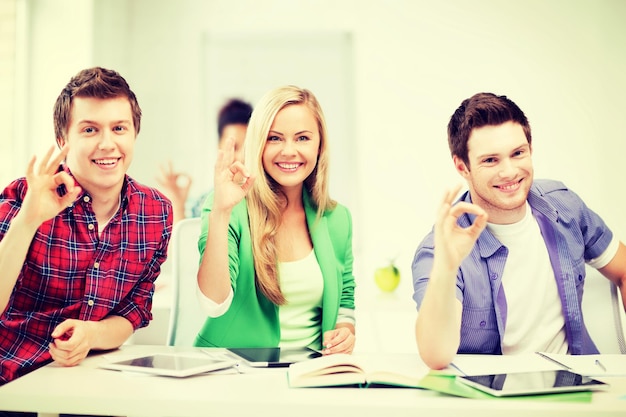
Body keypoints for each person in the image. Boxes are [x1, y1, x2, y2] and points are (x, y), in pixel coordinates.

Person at [411, 92, 626, 370]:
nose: (510, 172)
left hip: (578, 389)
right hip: (495, 402)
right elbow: (436, 355)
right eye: (491, 160)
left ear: (530, 149)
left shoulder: (564, 205)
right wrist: (447, 267)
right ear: (462, 166)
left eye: (517, 153)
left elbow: (622, 268)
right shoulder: (437, 252)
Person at [0, 67, 173, 388]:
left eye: (119, 128)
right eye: (90, 130)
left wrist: (92, 334)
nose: (107, 144)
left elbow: (132, 311)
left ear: (134, 133)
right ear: (63, 140)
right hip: (12, 378)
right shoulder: (26, 195)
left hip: (91, 381)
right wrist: (27, 221)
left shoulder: (155, 211)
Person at [194, 85, 356, 354]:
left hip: (311, 373)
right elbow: (213, 303)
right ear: (258, 144)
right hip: (232, 370)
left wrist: (346, 332)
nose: (289, 151)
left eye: (303, 138)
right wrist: (221, 213)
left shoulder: (337, 218)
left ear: (320, 145)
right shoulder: (229, 206)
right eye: (274, 138)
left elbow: (345, 299)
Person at [156, 98, 253, 225]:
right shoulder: (202, 204)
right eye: (233, 147)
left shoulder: (265, 201)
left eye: (247, 147)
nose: (241, 156)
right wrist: (178, 206)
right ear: (219, 147)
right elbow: (186, 244)